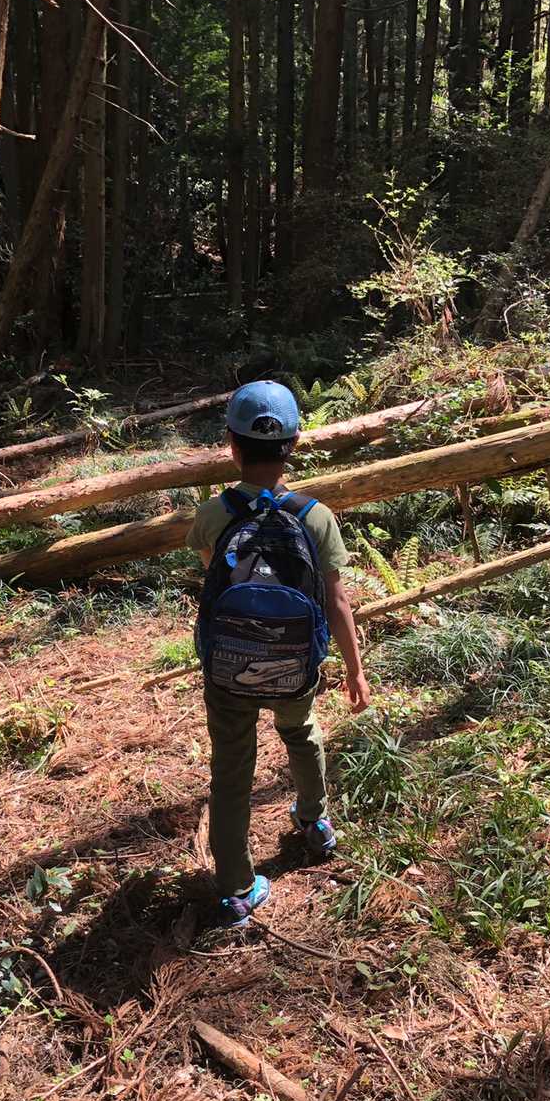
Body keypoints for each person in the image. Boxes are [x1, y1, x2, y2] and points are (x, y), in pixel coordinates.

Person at [186, 380, 371, 925]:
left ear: (232, 446)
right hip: (296, 665)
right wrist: (355, 670)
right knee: (301, 731)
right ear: (294, 444)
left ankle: (236, 889)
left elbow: (215, 579)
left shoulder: (213, 514)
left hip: (228, 669)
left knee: (231, 771)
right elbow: (336, 601)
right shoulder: (316, 516)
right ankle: (314, 821)